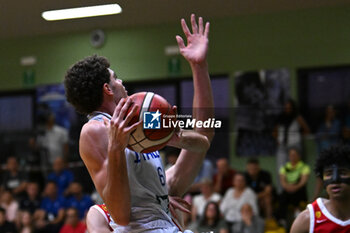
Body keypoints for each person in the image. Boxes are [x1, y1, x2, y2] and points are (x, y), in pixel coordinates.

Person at [64, 14, 214, 233]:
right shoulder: (95, 130)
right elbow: (121, 215)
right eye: (115, 78)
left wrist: (199, 67)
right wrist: (116, 146)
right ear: (107, 89)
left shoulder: (143, 120)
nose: (121, 82)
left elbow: (204, 134)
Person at [290, 145, 350, 233]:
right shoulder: (307, 219)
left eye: (343, 173)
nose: (335, 180)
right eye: (329, 174)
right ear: (322, 179)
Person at [274, 99, 310, 192]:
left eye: (290, 107)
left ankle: (298, 191)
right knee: (281, 169)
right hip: (282, 146)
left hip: (295, 146)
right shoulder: (280, 118)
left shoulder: (297, 117)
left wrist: (298, 137)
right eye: (286, 107)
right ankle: (282, 192)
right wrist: (278, 139)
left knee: (297, 169)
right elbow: (274, 131)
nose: (288, 109)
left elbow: (306, 129)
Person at [277, 147, 310, 225]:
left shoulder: (304, 167)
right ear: (289, 156)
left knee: (297, 194)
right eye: (291, 155)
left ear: (299, 156)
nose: (293, 157)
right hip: (288, 190)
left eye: (295, 155)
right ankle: (282, 220)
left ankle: (298, 216)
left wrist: (294, 187)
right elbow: (283, 182)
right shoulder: (284, 167)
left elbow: (303, 181)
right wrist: (289, 187)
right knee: (282, 197)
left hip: (299, 190)